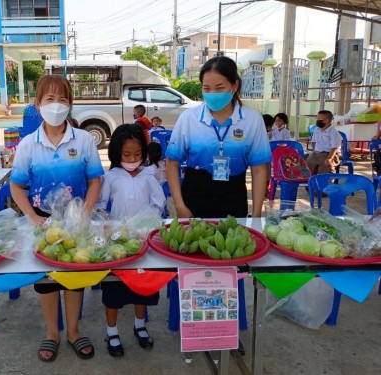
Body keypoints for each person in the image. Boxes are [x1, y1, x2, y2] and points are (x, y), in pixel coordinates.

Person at [10, 74, 103, 362]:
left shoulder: (84, 140)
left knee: (75, 276)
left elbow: (95, 180)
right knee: (48, 281)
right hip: (43, 220)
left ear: (70, 105)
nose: (56, 105)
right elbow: (17, 185)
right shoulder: (28, 144)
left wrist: (85, 213)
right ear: (38, 104)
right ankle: (53, 333)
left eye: (63, 99)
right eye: (49, 99)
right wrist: (33, 218)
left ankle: (74, 331)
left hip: (77, 219)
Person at [165, 56, 271, 219]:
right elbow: (172, 163)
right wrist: (180, 206)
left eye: (219, 88)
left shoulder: (252, 120)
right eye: (206, 88)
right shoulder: (189, 118)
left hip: (234, 198)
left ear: (234, 86)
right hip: (194, 198)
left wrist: (256, 215)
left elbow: (258, 169)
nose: (212, 94)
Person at [95, 124, 165, 358]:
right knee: (114, 288)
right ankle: (112, 331)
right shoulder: (111, 176)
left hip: (142, 240)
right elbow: (101, 205)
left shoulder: (149, 175)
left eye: (137, 154)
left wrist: (148, 223)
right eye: (126, 155)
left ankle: (140, 324)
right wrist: (107, 224)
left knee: (141, 286)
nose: (132, 159)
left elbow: (159, 202)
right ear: (116, 154)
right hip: (117, 241)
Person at [305, 110, 341, 176]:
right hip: (317, 153)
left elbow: (334, 147)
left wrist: (329, 158)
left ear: (326, 120)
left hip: (329, 154)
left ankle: (324, 185)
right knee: (307, 167)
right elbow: (313, 142)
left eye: (319, 119)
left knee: (325, 169)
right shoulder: (317, 130)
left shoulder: (333, 132)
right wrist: (314, 151)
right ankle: (310, 184)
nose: (317, 120)